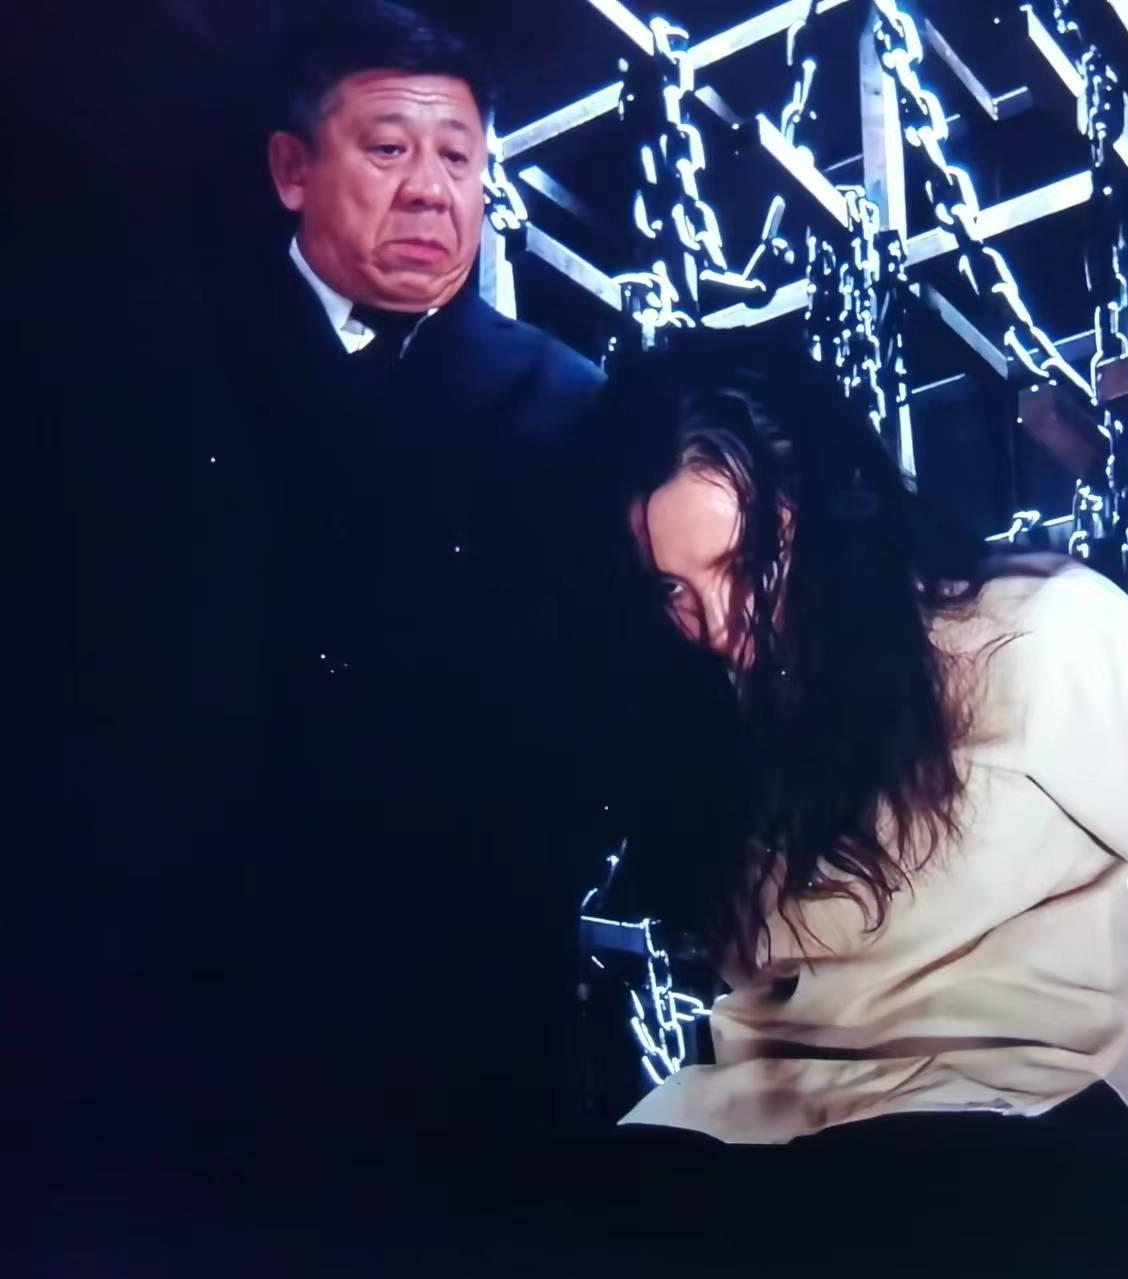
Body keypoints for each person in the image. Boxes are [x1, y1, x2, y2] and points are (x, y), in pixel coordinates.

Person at [585, 333, 1128, 1156]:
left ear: (828, 511)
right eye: (674, 589)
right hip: (766, 1111)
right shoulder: (720, 706)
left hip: (1006, 1112)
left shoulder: (1036, 635)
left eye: (746, 562)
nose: (718, 624)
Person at [180, 0, 608, 1181]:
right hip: (201, 968)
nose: (430, 191)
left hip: (476, 981)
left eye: (458, 159)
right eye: (387, 148)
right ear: (291, 170)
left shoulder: (567, 404)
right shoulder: (166, 363)